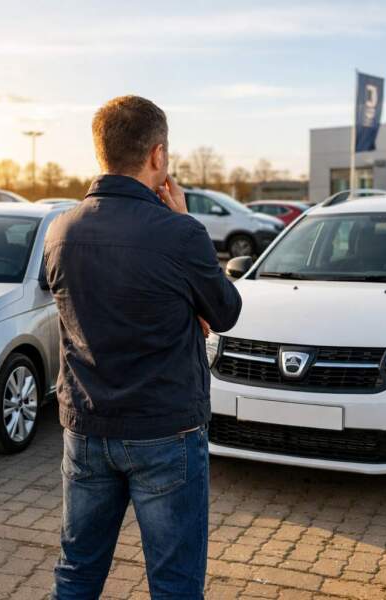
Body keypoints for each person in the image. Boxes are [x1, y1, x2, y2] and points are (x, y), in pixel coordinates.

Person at [45, 95, 242, 599]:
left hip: (86, 430)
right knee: (174, 585)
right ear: (157, 156)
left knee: (76, 572)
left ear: (102, 152)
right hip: (164, 433)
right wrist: (184, 224)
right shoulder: (180, 234)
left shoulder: (60, 230)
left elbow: (89, 310)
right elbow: (226, 313)